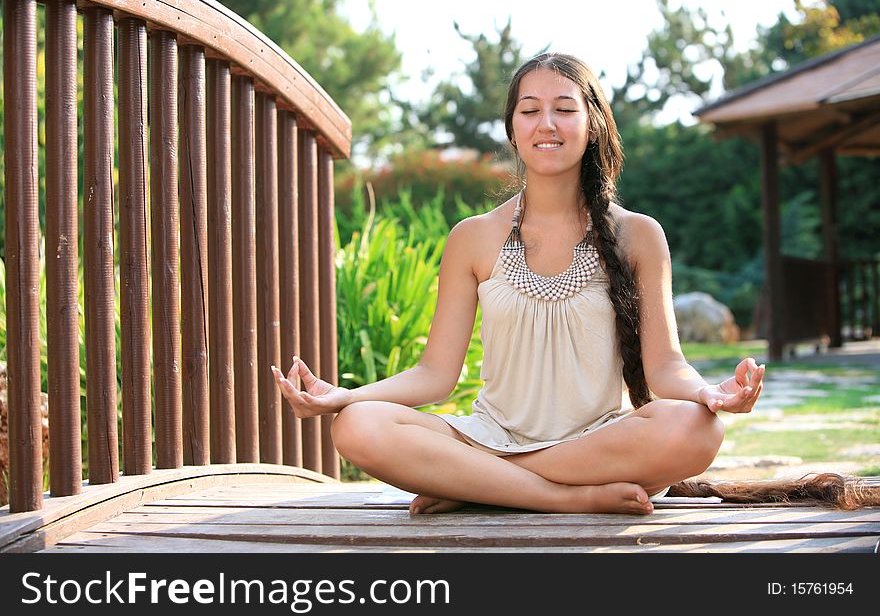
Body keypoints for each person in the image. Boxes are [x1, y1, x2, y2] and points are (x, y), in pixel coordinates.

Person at [272, 53, 876, 514]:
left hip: (601, 440)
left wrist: (710, 393)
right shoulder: (473, 238)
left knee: (695, 428)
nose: (547, 123)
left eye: (564, 107)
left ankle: (481, 489)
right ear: (512, 128)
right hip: (491, 436)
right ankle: (560, 497)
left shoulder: (639, 235)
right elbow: (436, 376)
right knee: (357, 427)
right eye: (529, 109)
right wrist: (342, 397)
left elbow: (665, 369)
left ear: (592, 124)